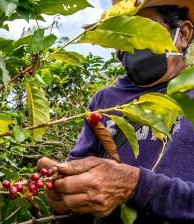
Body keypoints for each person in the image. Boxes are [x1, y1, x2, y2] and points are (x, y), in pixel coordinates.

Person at [38, 0, 194, 223]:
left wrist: (137, 186)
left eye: (140, 28)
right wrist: (63, 194)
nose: (128, 45)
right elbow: (78, 173)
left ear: (184, 34)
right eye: (120, 33)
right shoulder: (104, 100)